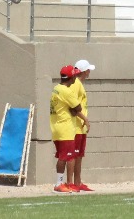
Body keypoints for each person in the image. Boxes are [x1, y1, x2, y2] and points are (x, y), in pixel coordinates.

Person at [49, 65, 85, 194]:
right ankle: (63, 184)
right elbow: (78, 108)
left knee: (62, 157)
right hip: (66, 128)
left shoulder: (56, 89)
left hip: (56, 127)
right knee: (69, 157)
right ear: (72, 77)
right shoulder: (66, 91)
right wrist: (82, 117)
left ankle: (60, 182)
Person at [71, 59, 96, 192]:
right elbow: (73, 106)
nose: (89, 72)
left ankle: (78, 181)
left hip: (80, 126)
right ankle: (73, 183)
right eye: (88, 70)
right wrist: (85, 119)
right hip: (76, 125)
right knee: (74, 155)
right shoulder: (75, 84)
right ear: (85, 71)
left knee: (79, 155)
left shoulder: (79, 84)